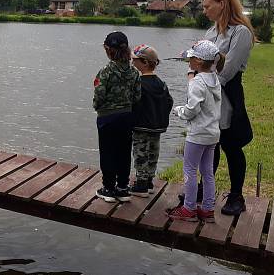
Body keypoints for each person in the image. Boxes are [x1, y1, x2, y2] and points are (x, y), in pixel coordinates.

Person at [201, 0, 255, 215]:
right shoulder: (209, 33)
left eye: (207, 6)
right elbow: (200, 61)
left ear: (222, 3)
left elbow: (229, 70)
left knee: (231, 146)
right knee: (209, 145)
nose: (204, 10)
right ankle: (206, 191)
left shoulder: (240, 33)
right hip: (208, 93)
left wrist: (203, 79)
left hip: (228, 95)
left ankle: (236, 197)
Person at [167, 40, 224, 222]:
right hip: (213, 134)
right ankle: (207, 209)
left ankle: (189, 208)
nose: (188, 60)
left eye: (191, 57)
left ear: (198, 62)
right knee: (207, 172)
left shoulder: (198, 82)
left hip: (197, 135)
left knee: (190, 170)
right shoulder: (215, 79)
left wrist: (179, 110)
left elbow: (192, 110)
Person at [93, 31, 141, 203]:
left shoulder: (105, 71)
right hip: (127, 117)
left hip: (107, 118)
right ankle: (122, 187)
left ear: (108, 50)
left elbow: (99, 96)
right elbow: (137, 97)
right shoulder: (134, 72)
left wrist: (98, 108)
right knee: (123, 152)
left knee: (107, 152)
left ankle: (108, 188)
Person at [129, 44, 173, 197]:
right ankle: (149, 181)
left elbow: (133, 103)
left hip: (141, 126)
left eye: (135, 60)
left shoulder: (138, 83)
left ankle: (140, 185)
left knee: (140, 154)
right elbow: (169, 102)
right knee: (153, 153)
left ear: (145, 63)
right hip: (156, 127)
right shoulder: (161, 84)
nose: (132, 62)